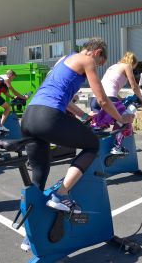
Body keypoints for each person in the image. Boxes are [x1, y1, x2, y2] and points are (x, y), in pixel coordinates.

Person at [21, 38, 134, 214]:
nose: (97, 65)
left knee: (40, 172)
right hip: (47, 117)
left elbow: (64, 99)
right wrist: (121, 118)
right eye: (100, 62)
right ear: (97, 53)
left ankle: (32, 236)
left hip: (29, 117)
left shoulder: (65, 60)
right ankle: (61, 193)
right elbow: (103, 100)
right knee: (92, 145)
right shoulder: (87, 60)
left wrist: (83, 115)